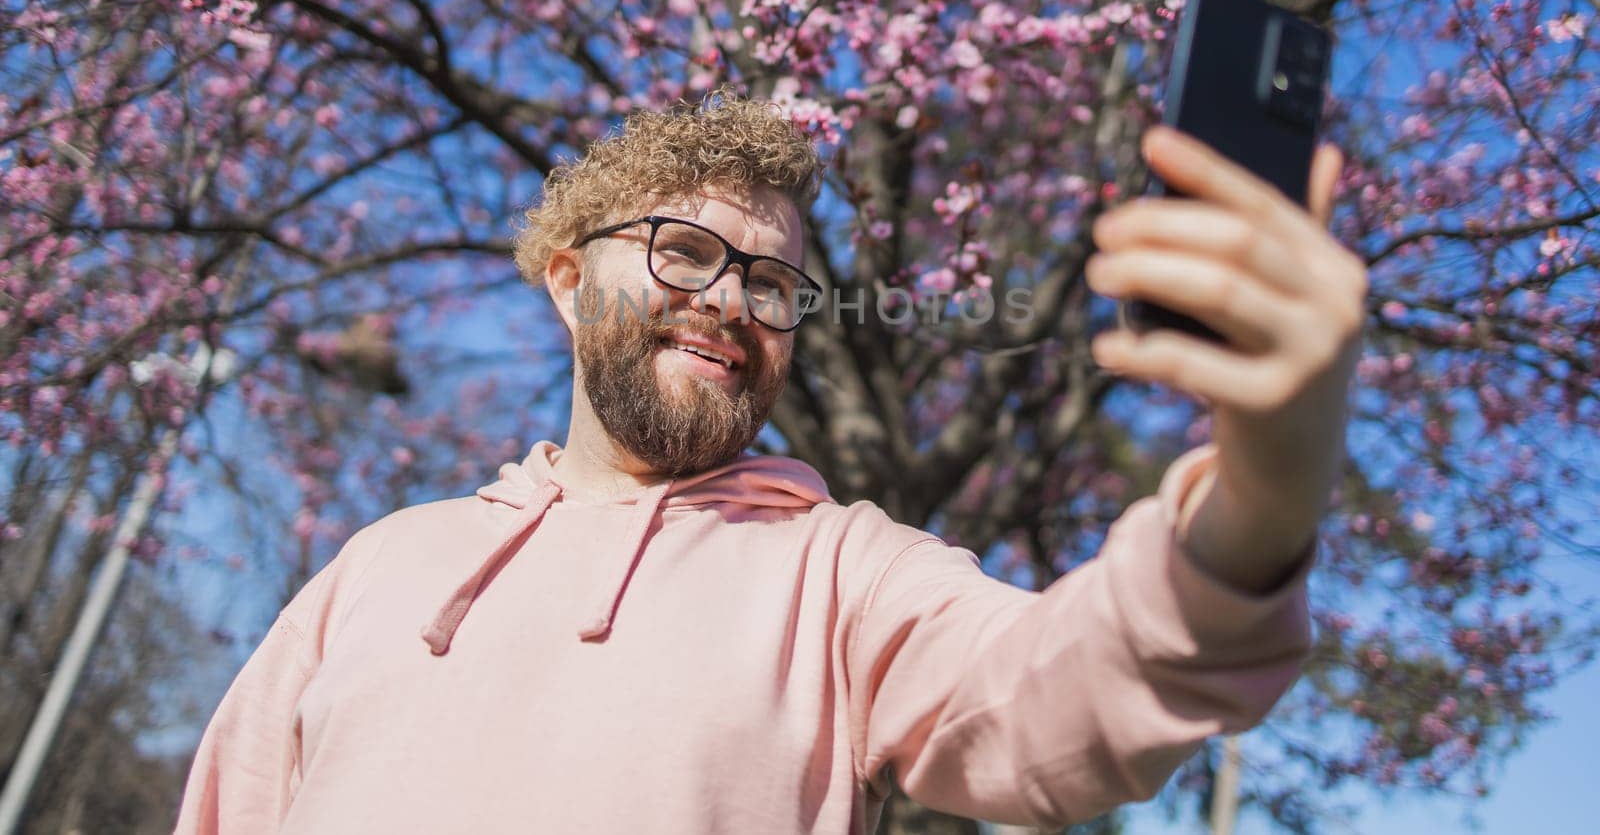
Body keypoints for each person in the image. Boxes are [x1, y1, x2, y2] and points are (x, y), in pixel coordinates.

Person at [173, 92, 1366, 833]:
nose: (730, 299)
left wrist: (1266, 478)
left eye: (771, 282)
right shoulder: (383, 563)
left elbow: (1055, 695)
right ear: (569, 277)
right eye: (684, 250)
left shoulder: (843, 571)